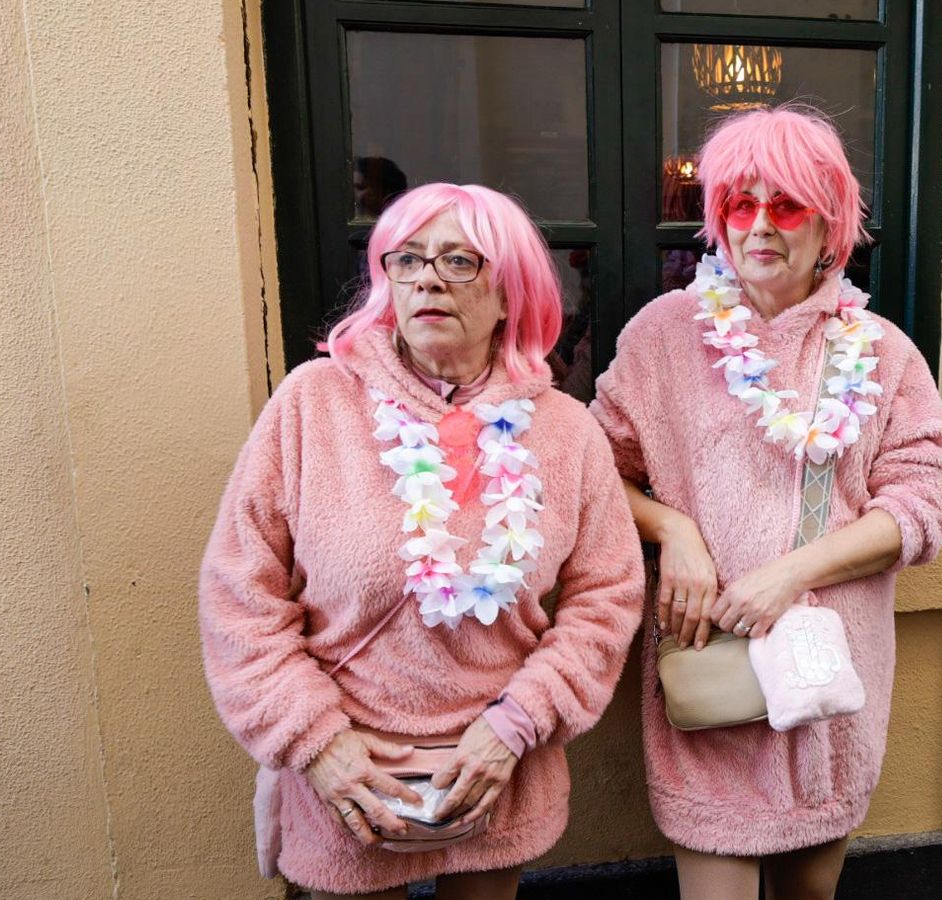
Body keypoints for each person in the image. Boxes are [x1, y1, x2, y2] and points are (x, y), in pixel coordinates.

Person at [200, 183, 644, 899]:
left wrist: (517, 726)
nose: (428, 277)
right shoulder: (314, 405)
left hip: (496, 768)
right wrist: (316, 744)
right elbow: (239, 594)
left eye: (461, 261)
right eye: (407, 260)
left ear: (510, 295)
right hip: (347, 776)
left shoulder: (565, 431)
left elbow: (607, 597)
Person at [590, 105, 942, 899]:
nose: (759, 225)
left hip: (830, 682)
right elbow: (593, 472)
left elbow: (924, 501)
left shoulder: (882, 352)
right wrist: (673, 528)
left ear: (829, 222)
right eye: (739, 204)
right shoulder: (664, 336)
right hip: (711, 666)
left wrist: (793, 573)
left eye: (785, 205)